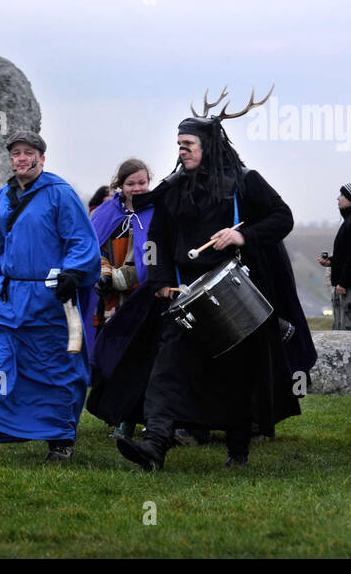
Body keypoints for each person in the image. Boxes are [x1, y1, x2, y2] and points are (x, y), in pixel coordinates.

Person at [115, 98, 298, 471]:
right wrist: (163, 282)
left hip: (233, 296)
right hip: (184, 299)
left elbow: (283, 218)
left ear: (208, 146)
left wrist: (241, 237)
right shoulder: (174, 188)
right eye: (179, 145)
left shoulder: (245, 182)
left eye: (188, 145)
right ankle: (155, 446)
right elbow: (160, 241)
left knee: (233, 378)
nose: (181, 152)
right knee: (166, 369)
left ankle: (238, 453)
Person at [0, 131, 101, 461]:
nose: (21, 158)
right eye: (16, 153)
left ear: (41, 158)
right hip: (7, 295)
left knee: (55, 366)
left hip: (50, 296)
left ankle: (61, 438)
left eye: (28, 152)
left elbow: (80, 239)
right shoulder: (2, 198)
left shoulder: (60, 194)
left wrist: (74, 272)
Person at [83, 158, 156, 439]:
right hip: (111, 302)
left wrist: (118, 278)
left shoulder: (156, 212)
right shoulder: (105, 213)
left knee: (142, 360)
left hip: (144, 299)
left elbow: (150, 259)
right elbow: (92, 248)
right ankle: (120, 418)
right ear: (120, 185)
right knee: (112, 356)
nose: (137, 188)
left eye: (142, 183)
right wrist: (103, 275)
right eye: (131, 184)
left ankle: (146, 420)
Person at [321, 183, 351, 331]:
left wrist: (344, 282)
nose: (338, 198)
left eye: (342, 195)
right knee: (342, 326)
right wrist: (332, 261)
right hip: (349, 283)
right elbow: (347, 253)